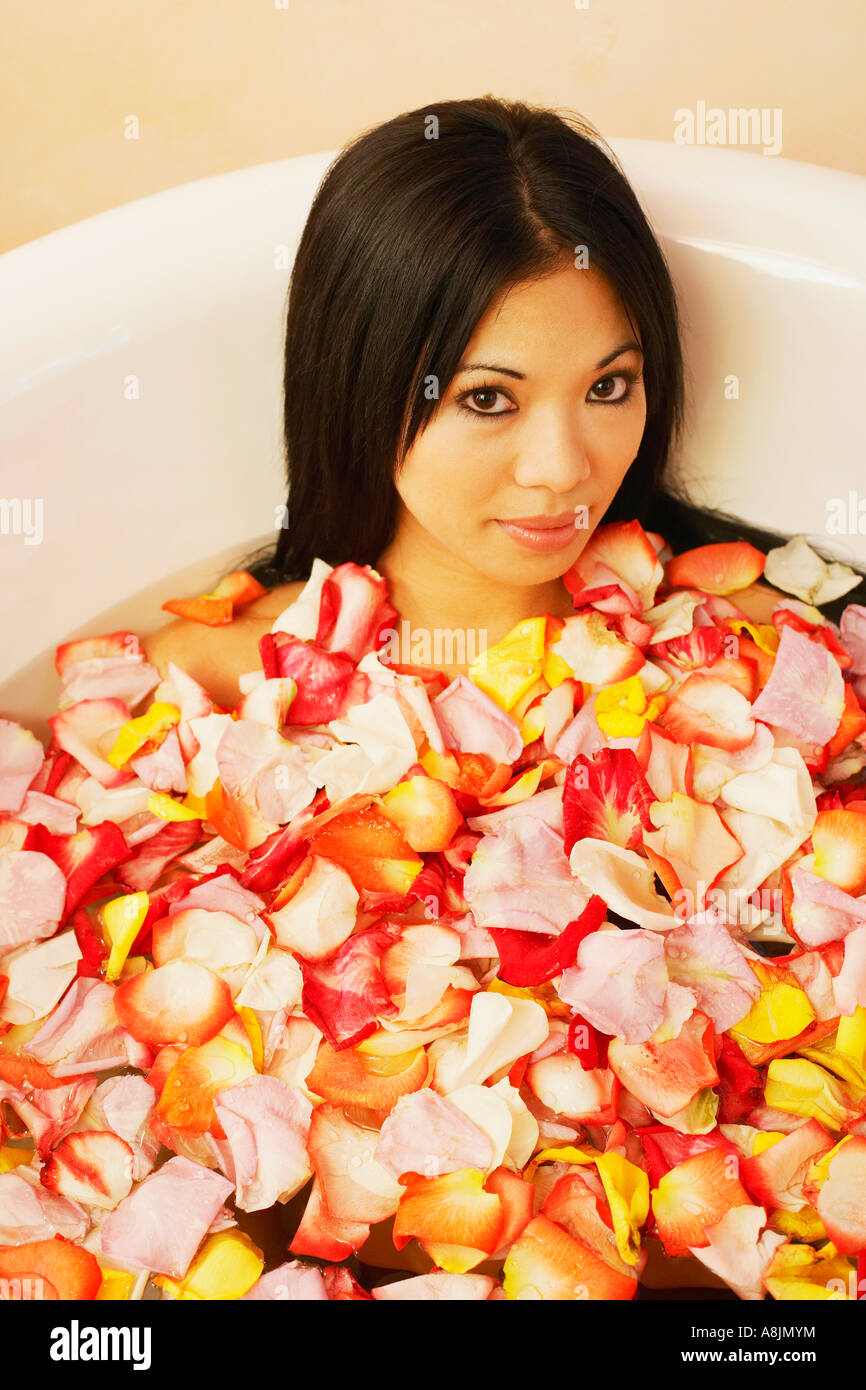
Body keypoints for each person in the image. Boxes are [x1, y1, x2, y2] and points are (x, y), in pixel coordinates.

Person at [142, 95, 863, 1294]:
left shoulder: (753, 659)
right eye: (488, 397)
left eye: (609, 384)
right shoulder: (206, 695)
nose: (560, 466)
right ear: (364, 382)